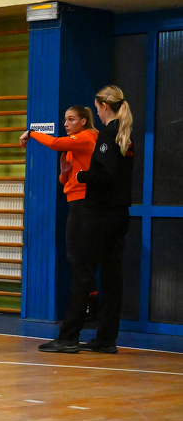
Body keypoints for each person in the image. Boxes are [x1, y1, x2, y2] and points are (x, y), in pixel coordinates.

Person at [39, 85, 134, 354]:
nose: (97, 113)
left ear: (103, 106)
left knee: (82, 272)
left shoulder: (107, 134)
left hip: (100, 214)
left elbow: (106, 174)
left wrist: (82, 176)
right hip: (120, 213)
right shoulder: (126, 135)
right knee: (112, 278)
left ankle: (69, 337)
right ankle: (106, 339)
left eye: (97, 108)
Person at [20, 106, 100, 324]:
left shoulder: (85, 137)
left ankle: (91, 306)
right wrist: (64, 173)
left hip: (84, 202)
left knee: (77, 255)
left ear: (83, 121)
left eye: (71, 119)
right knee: (78, 256)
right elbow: (66, 180)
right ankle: (91, 305)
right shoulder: (75, 144)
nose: (66, 124)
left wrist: (32, 133)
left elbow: (55, 143)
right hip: (75, 200)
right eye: (65, 120)